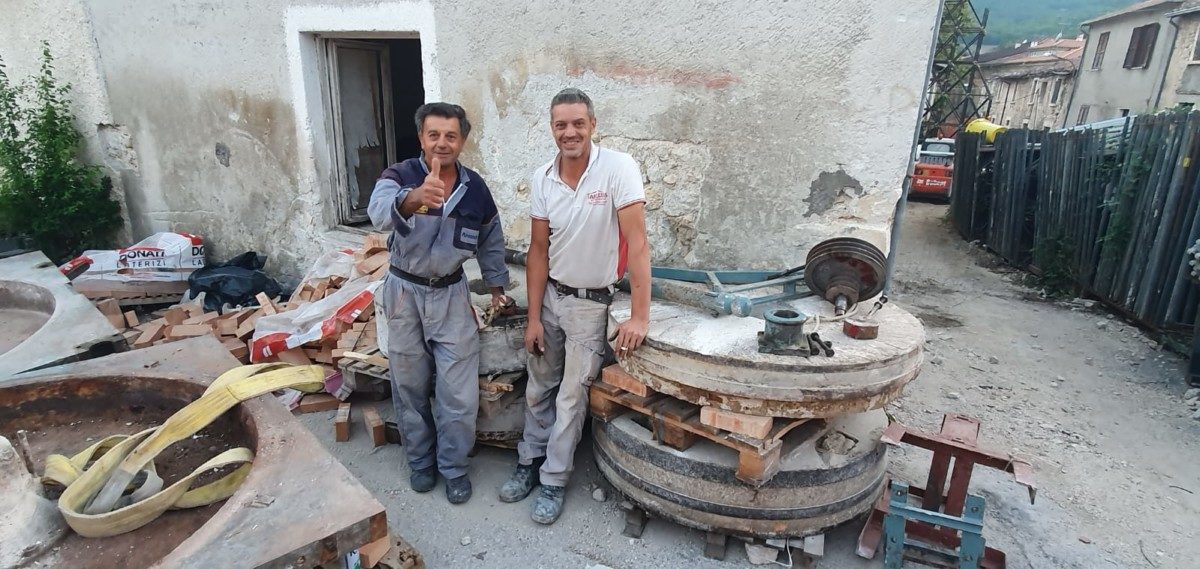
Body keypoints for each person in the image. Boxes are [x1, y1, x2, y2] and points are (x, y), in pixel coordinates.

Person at [499, 88, 652, 524]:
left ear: (592, 126)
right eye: (561, 125)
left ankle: (553, 480)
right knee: (538, 386)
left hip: (591, 304)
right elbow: (537, 251)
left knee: (571, 397)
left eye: (578, 124)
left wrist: (640, 316)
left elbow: (638, 243)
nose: (570, 132)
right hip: (551, 298)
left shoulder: (618, 168)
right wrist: (533, 317)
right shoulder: (543, 177)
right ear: (552, 128)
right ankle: (528, 461)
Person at [368, 102, 510, 505]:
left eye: (451, 136)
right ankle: (420, 462)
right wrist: (413, 198)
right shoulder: (399, 176)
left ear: (462, 141)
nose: (442, 143)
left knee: (458, 393)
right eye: (434, 135)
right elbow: (378, 214)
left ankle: (454, 467)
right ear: (421, 138)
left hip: (452, 296)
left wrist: (497, 287)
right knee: (409, 385)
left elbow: (491, 239)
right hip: (404, 294)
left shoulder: (475, 189)